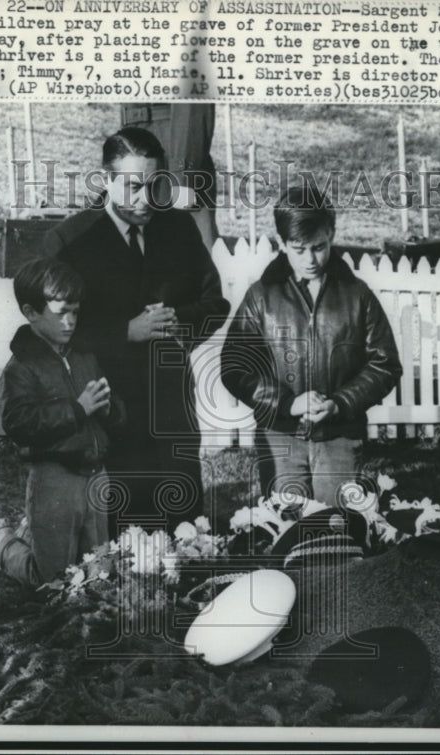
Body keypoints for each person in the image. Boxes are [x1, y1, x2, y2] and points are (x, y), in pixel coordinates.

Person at [43, 126, 230, 531]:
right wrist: (125, 331)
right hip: (113, 411)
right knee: (127, 539)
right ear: (105, 180)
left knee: (185, 531)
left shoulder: (178, 229)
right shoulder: (70, 241)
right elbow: (53, 331)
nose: (145, 199)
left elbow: (215, 304)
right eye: (131, 187)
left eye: (154, 185)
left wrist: (177, 322)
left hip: (173, 406)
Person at [220, 185, 402, 507]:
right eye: (298, 249)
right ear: (281, 243)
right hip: (280, 437)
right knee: (285, 528)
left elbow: (385, 363)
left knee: (337, 529)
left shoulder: (358, 296)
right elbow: (235, 367)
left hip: (341, 436)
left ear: (331, 234)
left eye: (319, 247)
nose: (310, 260)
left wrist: (340, 403)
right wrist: (287, 404)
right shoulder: (260, 297)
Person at [0, 259, 125, 586]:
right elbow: (19, 422)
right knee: (50, 579)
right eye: (61, 311)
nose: (70, 321)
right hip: (54, 477)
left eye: (76, 312)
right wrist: (78, 409)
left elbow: (117, 410)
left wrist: (109, 409)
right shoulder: (23, 364)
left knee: (100, 573)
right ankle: (3, 543)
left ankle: (28, 531)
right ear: (31, 311)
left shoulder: (83, 355)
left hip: (95, 475)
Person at [120, 103, 220, 251]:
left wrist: (183, 175)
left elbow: (191, 102)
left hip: (172, 145)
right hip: (137, 141)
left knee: (191, 254)